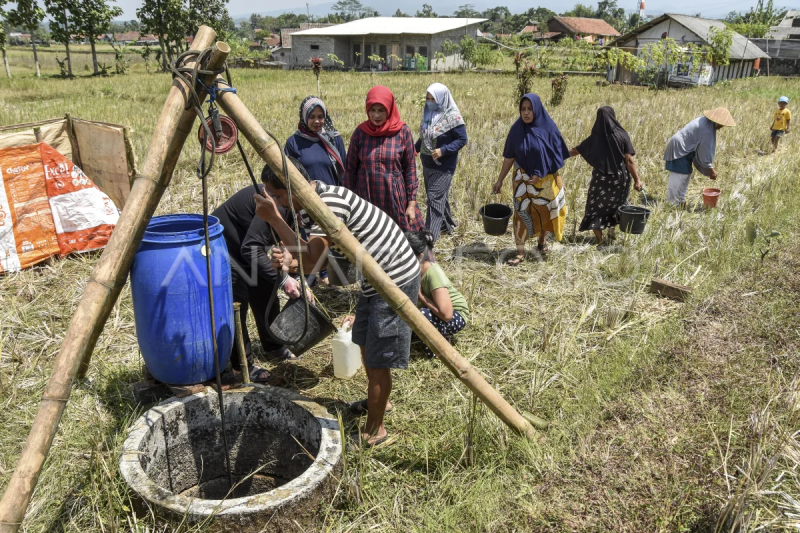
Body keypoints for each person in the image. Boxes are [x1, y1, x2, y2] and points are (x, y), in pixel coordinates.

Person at [255, 157, 420, 448]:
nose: (279, 203)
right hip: (374, 277)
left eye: (279, 196)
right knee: (366, 343)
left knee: (379, 358)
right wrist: (293, 259)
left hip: (393, 276)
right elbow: (314, 257)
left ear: (295, 187)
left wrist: (275, 220)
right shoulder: (310, 204)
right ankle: (380, 403)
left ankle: (375, 431)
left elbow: (311, 259)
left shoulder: (326, 203)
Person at [211, 185, 304, 381]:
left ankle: (273, 344)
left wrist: (292, 274)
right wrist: (284, 279)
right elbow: (250, 248)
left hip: (246, 247)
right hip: (223, 247)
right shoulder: (277, 202)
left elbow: (283, 242)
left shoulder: (293, 205)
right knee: (238, 304)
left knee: (266, 287)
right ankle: (241, 366)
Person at [492, 93, 570, 265]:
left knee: (545, 212)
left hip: (546, 180)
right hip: (523, 181)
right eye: (523, 109)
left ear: (537, 110)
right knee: (521, 213)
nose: (526, 113)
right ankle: (520, 253)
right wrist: (500, 180)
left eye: (530, 109)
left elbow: (556, 155)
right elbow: (509, 157)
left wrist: (540, 173)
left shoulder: (548, 128)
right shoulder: (516, 129)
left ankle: (541, 242)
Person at [344, 85, 424, 232]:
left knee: (401, 241)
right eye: (372, 110)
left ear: (390, 108)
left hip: (394, 199)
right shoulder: (360, 133)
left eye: (381, 110)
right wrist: (349, 203)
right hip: (367, 199)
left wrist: (411, 204)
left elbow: (410, 170)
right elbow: (350, 171)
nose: (376, 115)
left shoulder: (402, 132)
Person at [569, 106, 644, 245]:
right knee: (616, 206)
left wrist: (555, 157)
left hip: (600, 180)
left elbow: (575, 150)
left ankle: (600, 240)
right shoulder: (622, 135)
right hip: (620, 179)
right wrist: (637, 180)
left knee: (595, 208)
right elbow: (629, 160)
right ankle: (611, 229)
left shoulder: (594, 139)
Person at [414, 83, 468, 241]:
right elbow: (425, 137)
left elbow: (462, 139)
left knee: (434, 198)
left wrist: (443, 150)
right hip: (427, 163)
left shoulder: (453, 116)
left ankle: (429, 239)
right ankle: (445, 226)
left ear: (443, 99)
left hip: (444, 166)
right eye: (428, 98)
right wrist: (414, 149)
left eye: (434, 99)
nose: (430, 102)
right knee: (438, 197)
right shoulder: (428, 115)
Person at [406, 230, 469, 358]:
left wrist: (421, 297)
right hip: (436, 311)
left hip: (456, 315)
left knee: (423, 315)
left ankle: (438, 350)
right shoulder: (413, 271)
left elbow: (446, 315)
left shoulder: (433, 274)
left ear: (420, 256)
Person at [664, 107, 736, 205]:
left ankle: (680, 201)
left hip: (686, 148)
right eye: (722, 124)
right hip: (680, 147)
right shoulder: (706, 130)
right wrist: (710, 169)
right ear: (717, 121)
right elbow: (704, 152)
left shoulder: (707, 123)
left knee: (686, 173)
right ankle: (671, 203)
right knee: (679, 174)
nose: (721, 127)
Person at [284, 95, 346, 186]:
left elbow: (346, 169)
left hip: (334, 196)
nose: (316, 121)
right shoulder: (293, 142)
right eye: (312, 117)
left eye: (320, 117)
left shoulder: (334, 138)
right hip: (306, 197)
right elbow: (288, 175)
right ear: (304, 117)